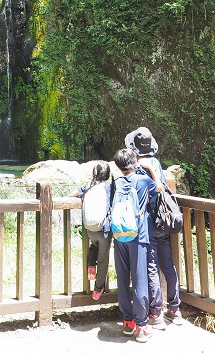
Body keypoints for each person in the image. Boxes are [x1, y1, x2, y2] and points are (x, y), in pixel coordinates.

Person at [125, 126, 183, 327]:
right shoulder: (156, 163)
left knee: (151, 266)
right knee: (167, 264)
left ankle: (156, 313)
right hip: (163, 220)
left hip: (148, 221)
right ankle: (174, 309)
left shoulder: (138, 167)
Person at [112, 148, 159, 343]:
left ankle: (128, 322)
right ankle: (141, 326)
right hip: (138, 235)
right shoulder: (143, 180)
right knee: (140, 279)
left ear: (118, 165)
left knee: (122, 277)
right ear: (134, 163)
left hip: (119, 235)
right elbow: (157, 193)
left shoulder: (115, 182)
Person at [74, 161, 112, 300]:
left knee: (94, 245)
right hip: (104, 230)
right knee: (103, 259)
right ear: (107, 175)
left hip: (90, 229)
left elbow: (75, 193)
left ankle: (91, 266)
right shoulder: (108, 188)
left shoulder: (88, 186)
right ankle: (98, 289)